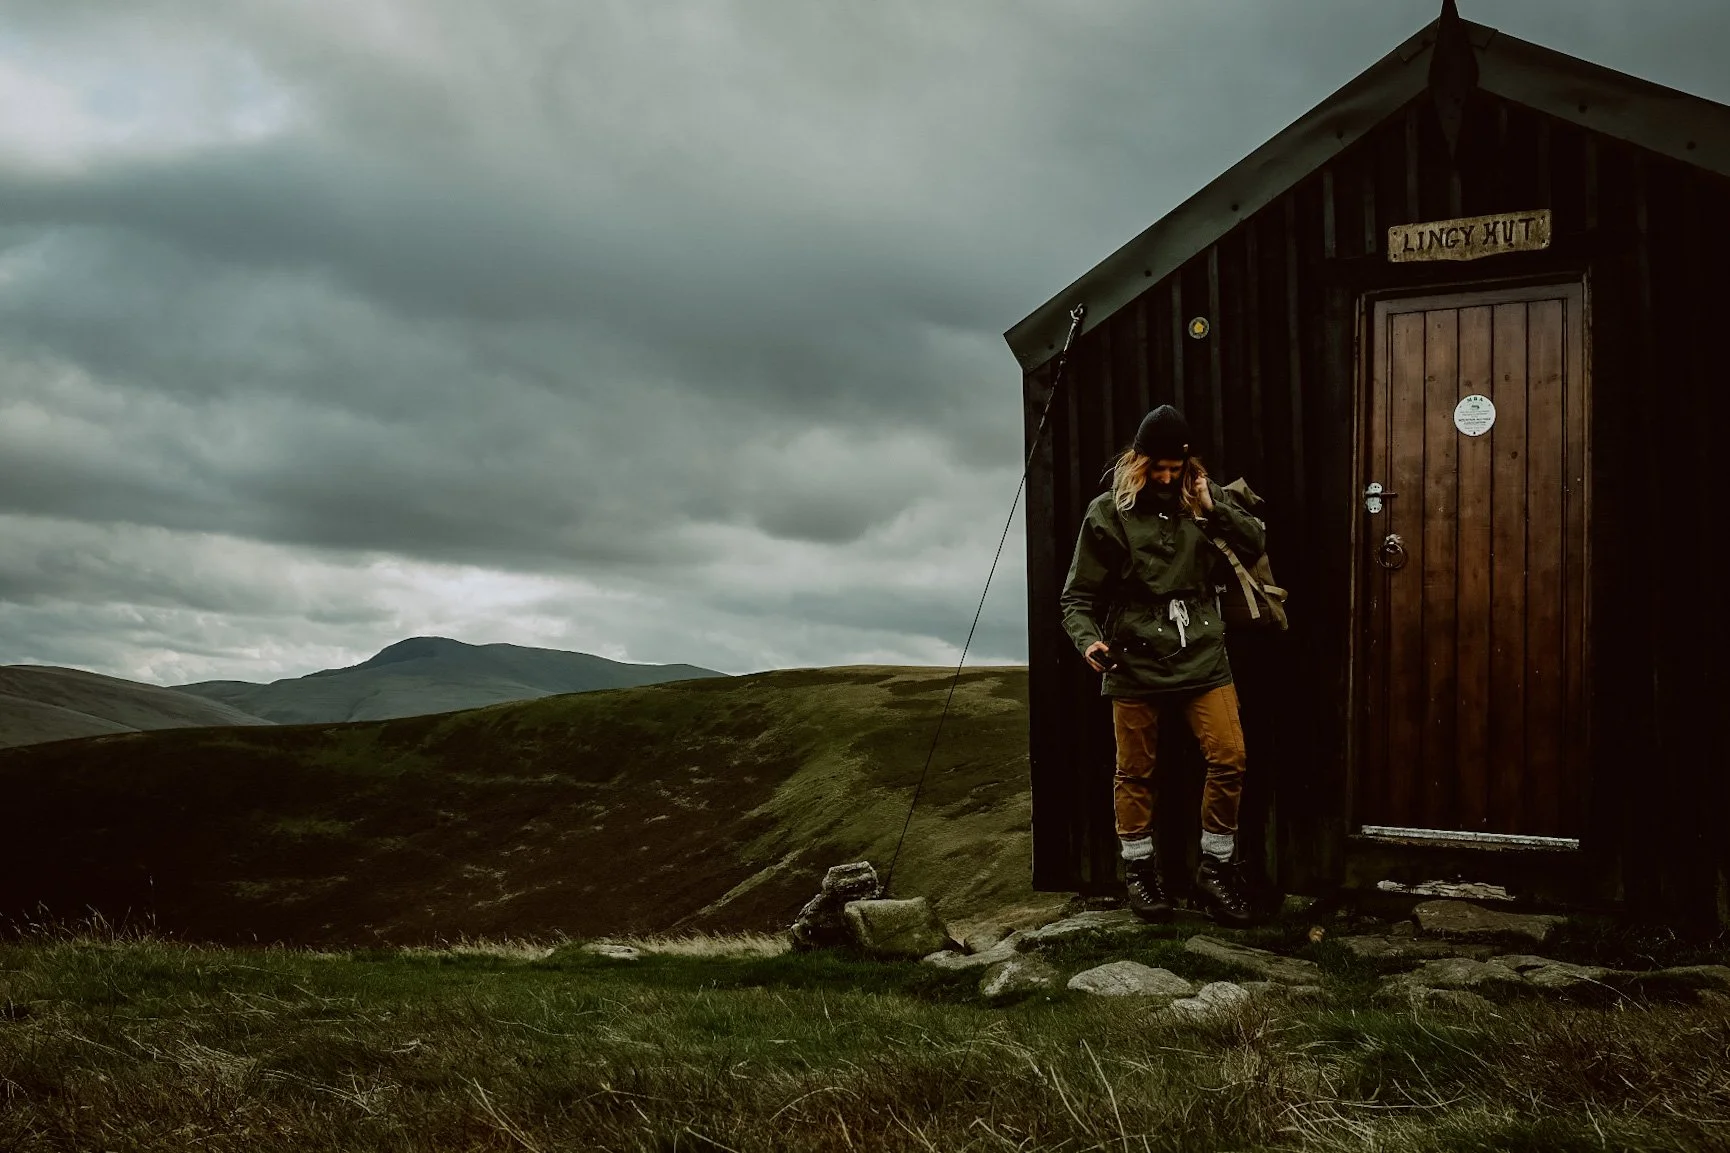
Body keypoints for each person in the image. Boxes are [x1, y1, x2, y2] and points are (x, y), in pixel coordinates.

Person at [1059, 404, 1266, 926]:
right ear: (1139, 461)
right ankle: (1139, 872)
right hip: (1133, 657)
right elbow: (1076, 598)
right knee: (1135, 772)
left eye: (1177, 467)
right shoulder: (1107, 511)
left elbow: (1256, 540)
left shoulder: (1205, 496)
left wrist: (1210, 507)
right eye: (1159, 468)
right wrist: (1088, 643)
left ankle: (1216, 870)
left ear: (1188, 463)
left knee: (1230, 757)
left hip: (1202, 650)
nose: (1167, 477)